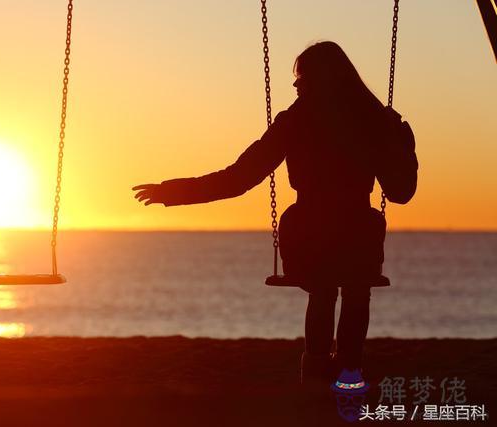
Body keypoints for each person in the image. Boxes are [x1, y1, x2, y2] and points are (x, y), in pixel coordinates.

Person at [132, 41, 418, 390]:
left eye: (301, 78)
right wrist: (405, 146)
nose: (295, 86)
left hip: (310, 234)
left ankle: (317, 372)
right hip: (357, 234)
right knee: (356, 289)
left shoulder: (295, 122)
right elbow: (401, 192)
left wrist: (174, 192)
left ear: (320, 80)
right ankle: (348, 370)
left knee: (325, 288)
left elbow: (238, 179)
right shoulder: (372, 120)